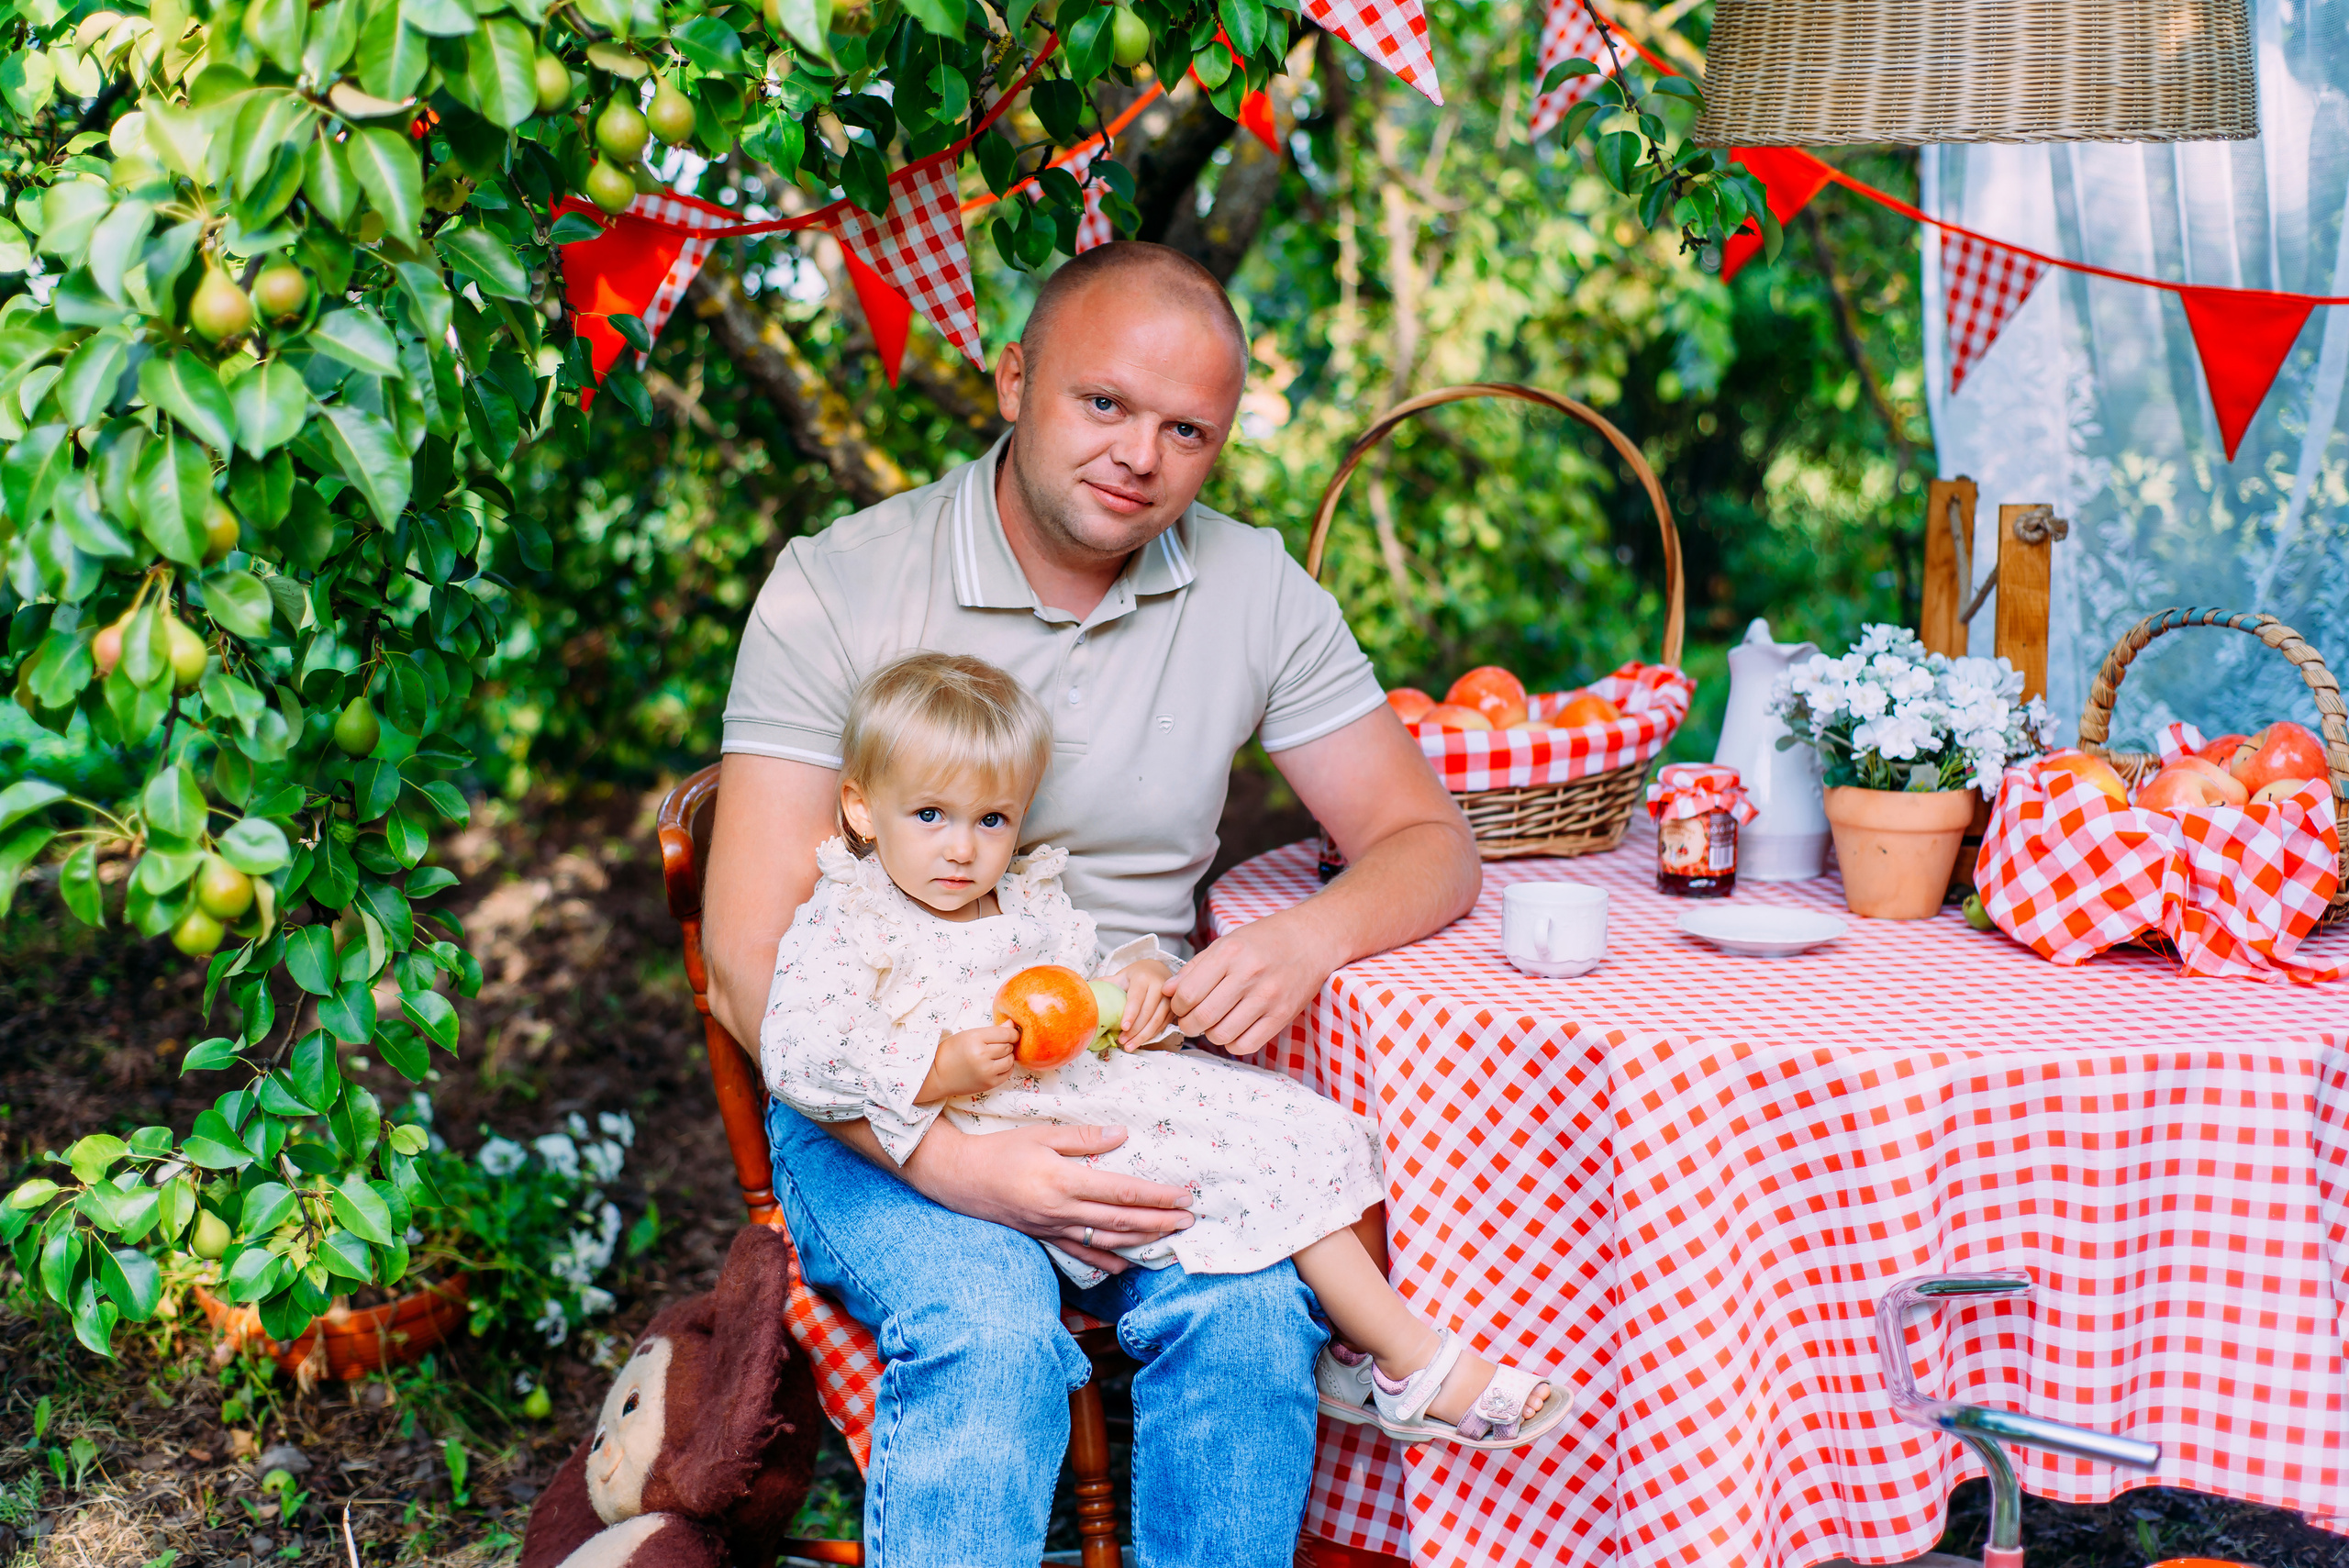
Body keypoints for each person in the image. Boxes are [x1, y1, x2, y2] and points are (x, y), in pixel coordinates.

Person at [703, 240, 1482, 1567]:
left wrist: (1310, 934)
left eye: (1189, 430)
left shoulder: (1251, 588)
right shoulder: (839, 583)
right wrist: (946, 1155)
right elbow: (745, 963)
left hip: (1121, 1081)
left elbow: (1428, 842)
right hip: (874, 1092)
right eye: (1104, 403)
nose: (1140, 455)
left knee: (1249, 1317)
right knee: (989, 1314)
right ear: (1014, 380)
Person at [763, 651, 1562, 1453]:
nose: (963, 850)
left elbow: (1078, 1001)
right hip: (1005, 1134)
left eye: (991, 819)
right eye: (930, 815)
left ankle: (1358, 1350)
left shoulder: (1022, 899)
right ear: (863, 811)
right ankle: (1415, 1361)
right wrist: (939, 1068)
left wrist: (1136, 989)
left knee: (1298, 1126)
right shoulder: (851, 919)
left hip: (1086, 1089)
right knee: (1255, 1163)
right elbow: (795, 1048)